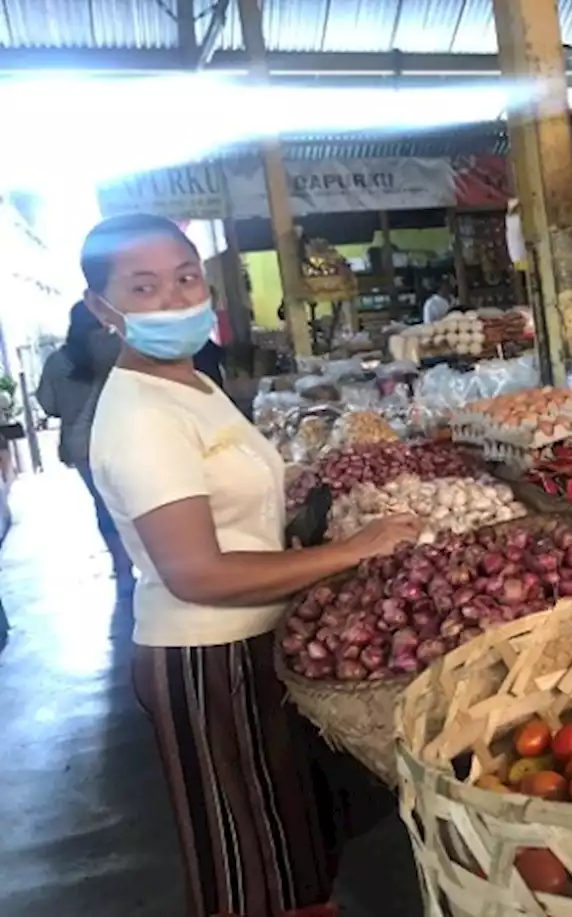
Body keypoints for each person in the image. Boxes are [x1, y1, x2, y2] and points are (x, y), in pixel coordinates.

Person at [81, 213, 421, 917]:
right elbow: (196, 572)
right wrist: (350, 552)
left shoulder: (190, 383)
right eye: (144, 287)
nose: (175, 300)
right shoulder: (143, 415)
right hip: (210, 659)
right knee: (250, 862)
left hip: (252, 640)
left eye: (185, 279)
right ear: (102, 310)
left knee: (291, 843)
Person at [36, 301, 135, 586]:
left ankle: (122, 567)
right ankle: (151, 559)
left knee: (103, 504)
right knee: (137, 500)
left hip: (81, 446)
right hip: (123, 436)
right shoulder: (118, 347)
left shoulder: (57, 361)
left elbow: (49, 404)